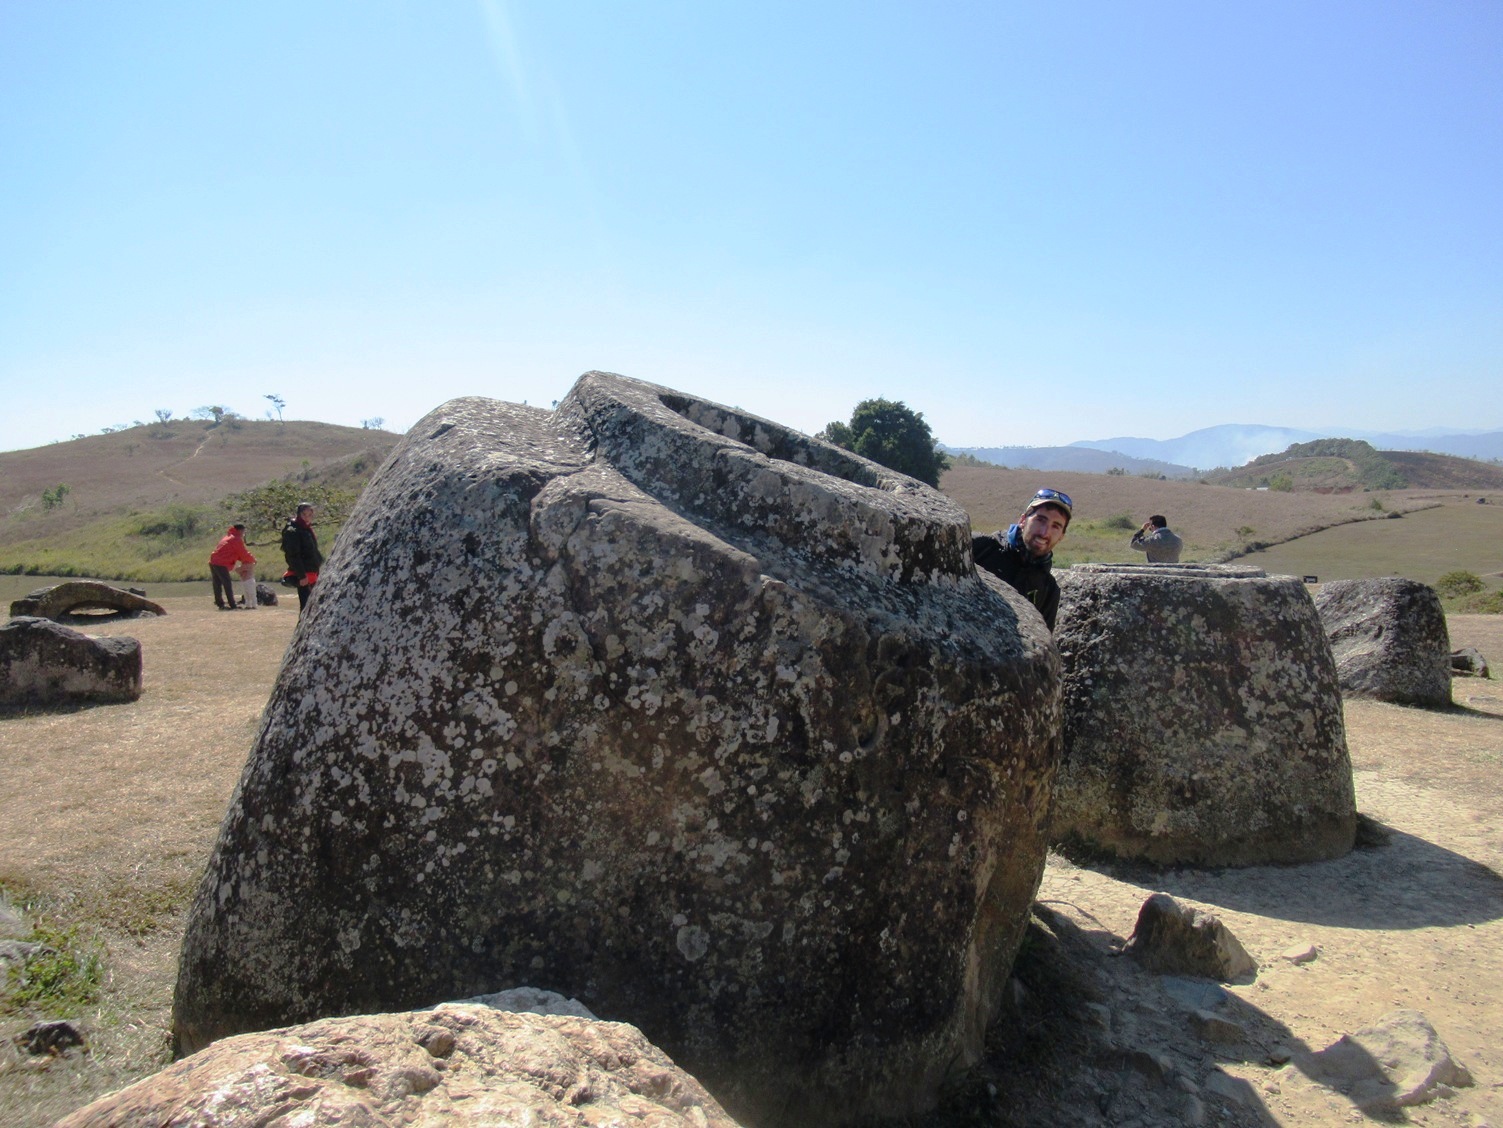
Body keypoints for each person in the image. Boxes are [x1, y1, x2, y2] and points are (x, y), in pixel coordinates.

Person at [972, 487, 1071, 630]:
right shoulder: (980, 547)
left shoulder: (1048, 589)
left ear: (1062, 535)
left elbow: (1042, 644)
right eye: (1040, 520)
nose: (1044, 532)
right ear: (1023, 520)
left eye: (1055, 526)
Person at [281, 502, 324, 614]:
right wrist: (302, 576)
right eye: (304, 514)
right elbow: (293, 555)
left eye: (310, 515)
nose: (307, 517)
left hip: (312, 571)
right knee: (306, 607)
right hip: (304, 574)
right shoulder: (293, 530)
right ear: (299, 514)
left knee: (313, 605)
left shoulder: (306, 528)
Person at [208, 523, 255, 612]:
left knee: (217, 583)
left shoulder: (228, 537)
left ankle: (220, 603)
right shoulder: (235, 539)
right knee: (227, 583)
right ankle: (232, 605)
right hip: (220, 563)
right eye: (243, 532)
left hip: (213, 561)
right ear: (240, 530)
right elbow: (243, 553)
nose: (243, 534)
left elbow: (236, 554)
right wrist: (253, 560)